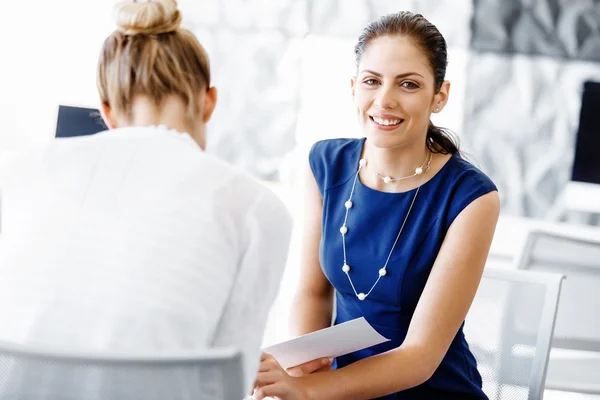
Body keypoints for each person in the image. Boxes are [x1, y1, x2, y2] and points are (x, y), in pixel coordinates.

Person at [0, 0, 292, 395]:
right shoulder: (257, 209)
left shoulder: (19, 172)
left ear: (106, 112)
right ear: (209, 102)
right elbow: (227, 382)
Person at [252, 11, 500, 400]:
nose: (385, 101)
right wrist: (299, 364)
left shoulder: (471, 197)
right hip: (337, 390)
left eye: (408, 84)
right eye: (372, 81)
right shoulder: (325, 163)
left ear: (440, 95)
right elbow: (313, 294)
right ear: (353, 87)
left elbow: (420, 356)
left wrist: (309, 391)